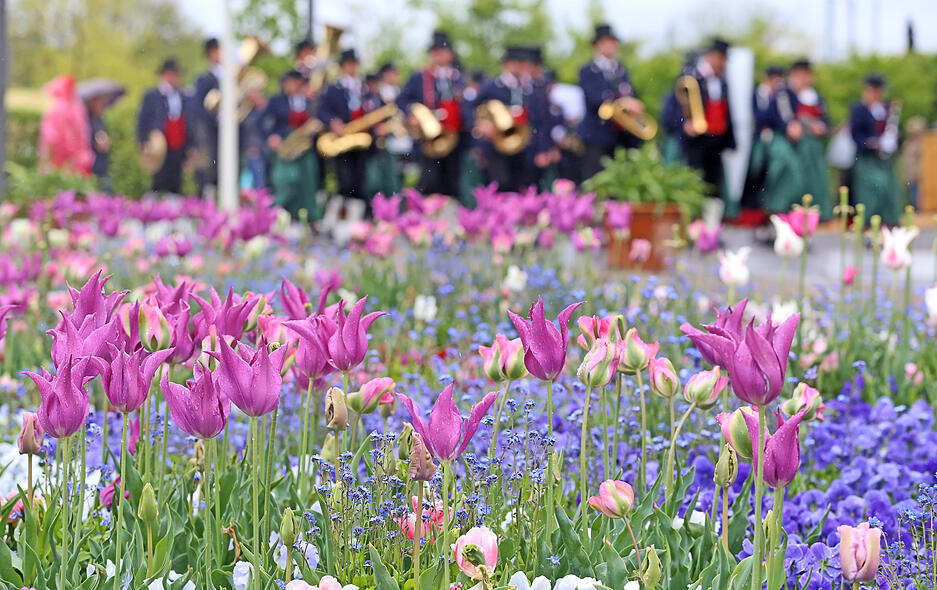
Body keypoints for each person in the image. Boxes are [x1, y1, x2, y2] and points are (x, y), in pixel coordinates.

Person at [665, 39, 736, 212]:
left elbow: (727, 112)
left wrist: (731, 140)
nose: (722, 63)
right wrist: (685, 125)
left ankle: (711, 231)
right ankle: (693, 225)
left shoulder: (721, 82)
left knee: (715, 185)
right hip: (696, 142)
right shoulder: (690, 77)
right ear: (711, 57)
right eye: (721, 58)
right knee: (695, 182)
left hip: (715, 140)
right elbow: (671, 111)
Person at [397, 30, 468, 197]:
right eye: (435, 52)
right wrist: (412, 114)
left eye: (442, 52)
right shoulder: (419, 77)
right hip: (428, 139)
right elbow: (402, 100)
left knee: (452, 181)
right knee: (429, 180)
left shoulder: (458, 78)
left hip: (453, 138)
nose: (438, 56)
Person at [761, 59, 833, 219]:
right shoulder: (784, 93)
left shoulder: (815, 96)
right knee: (789, 172)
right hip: (787, 144)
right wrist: (789, 126)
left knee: (815, 178)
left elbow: (825, 120)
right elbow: (773, 117)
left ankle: (813, 215)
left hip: (810, 146)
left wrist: (821, 127)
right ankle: (779, 211)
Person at [578, 23, 647, 180]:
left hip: (620, 134)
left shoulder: (621, 70)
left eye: (612, 42)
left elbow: (629, 92)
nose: (611, 46)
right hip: (597, 134)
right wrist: (623, 102)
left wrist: (635, 104)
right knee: (596, 179)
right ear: (597, 46)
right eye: (606, 42)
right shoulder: (588, 70)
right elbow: (594, 99)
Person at [474, 46, 542, 192]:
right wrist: (482, 124)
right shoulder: (492, 87)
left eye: (521, 63)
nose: (518, 67)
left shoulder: (530, 89)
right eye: (514, 63)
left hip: (524, 147)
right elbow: (471, 109)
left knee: (523, 186)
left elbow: (540, 118)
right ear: (505, 65)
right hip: (496, 146)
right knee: (500, 184)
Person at [262, 70, 320, 219]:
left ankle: (307, 218)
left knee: (306, 184)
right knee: (286, 182)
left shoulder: (308, 100)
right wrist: (271, 137)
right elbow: (264, 122)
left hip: (304, 148)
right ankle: (277, 215)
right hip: (285, 148)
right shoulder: (276, 101)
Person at [319, 49, 369, 203]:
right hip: (342, 139)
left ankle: (357, 215)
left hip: (360, 140)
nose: (352, 68)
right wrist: (333, 122)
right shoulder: (334, 89)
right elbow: (321, 110)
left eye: (354, 64)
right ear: (342, 67)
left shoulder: (363, 88)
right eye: (348, 65)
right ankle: (342, 212)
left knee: (360, 180)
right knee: (344, 179)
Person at [136, 59, 194, 194]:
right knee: (159, 177)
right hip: (160, 142)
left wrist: (190, 146)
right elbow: (143, 120)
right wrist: (144, 141)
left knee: (176, 178)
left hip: (178, 142)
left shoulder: (182, 96)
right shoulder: (152, 95)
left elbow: (188, 121)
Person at [850, 74, 901, 225]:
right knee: (871, 192)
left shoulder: (886, 110)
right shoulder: (859, 110)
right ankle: (868, 225)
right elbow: (856, 137)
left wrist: (893, 140)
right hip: (867, 159)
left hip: (884, 160)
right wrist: (873, 144)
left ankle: (889, 223)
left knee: (888, 191)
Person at [739, 65, 784, 222]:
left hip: (773, 140)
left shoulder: (779, 96)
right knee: (756, 170)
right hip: (759, 140)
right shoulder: (758, 95)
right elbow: (760, 118)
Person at [38, 75, 93, 177]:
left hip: (58, 156)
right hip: (74, 158)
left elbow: (50, 136)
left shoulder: (56, 108)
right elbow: (83, 134)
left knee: (55, 182)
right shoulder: (78, 107)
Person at [78, 79, 125, 192]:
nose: (104, 104)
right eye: (100, 101)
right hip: (91, 167)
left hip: (102, 165)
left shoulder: (100, 119)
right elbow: (83, 140)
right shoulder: (85, 119)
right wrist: (95, 143)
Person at [193, 38, 221, 199]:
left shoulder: (231, 76)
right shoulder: (204, 79)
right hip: (210, 132)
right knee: (208, 173)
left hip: (228, 134)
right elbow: (199, 107)